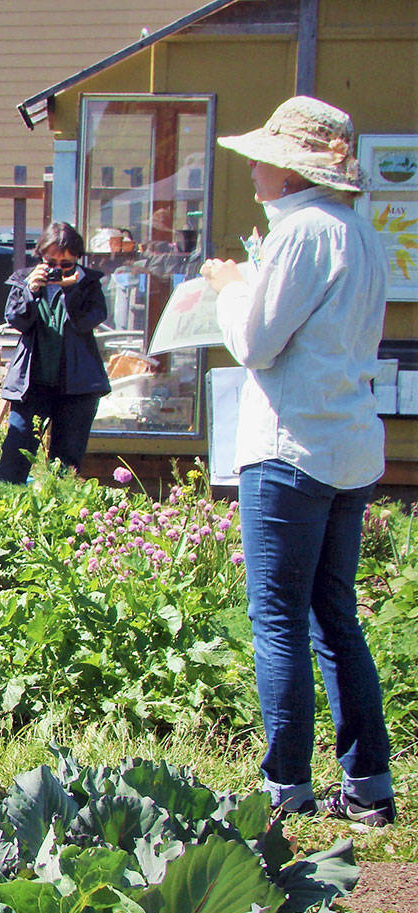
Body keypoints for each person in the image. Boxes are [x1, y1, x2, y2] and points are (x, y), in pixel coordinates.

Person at [202, 96, 394, 825]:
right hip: (346, 444)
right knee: (335, 618)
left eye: (263, 158)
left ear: (290, 168)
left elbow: (255, 342)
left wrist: (227, 289)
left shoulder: (301, 232)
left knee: (278, 620)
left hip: (287, 449)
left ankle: (287, 786)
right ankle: (369, 785)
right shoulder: (357, 232)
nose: (254, 169)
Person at [0, 221, 110, 485]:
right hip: (33, 383)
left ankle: (60, 516)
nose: (57, 270)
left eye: (66, 264)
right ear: (40, 258)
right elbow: (16, 320)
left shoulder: (89, 284)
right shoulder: (25, 280)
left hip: (78, 386)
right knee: (17, 449)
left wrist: (73, 289)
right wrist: (30, 291)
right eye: (51, 263)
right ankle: (3, 512)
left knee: (67, 460)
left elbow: (86, 322)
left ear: (78, 259)